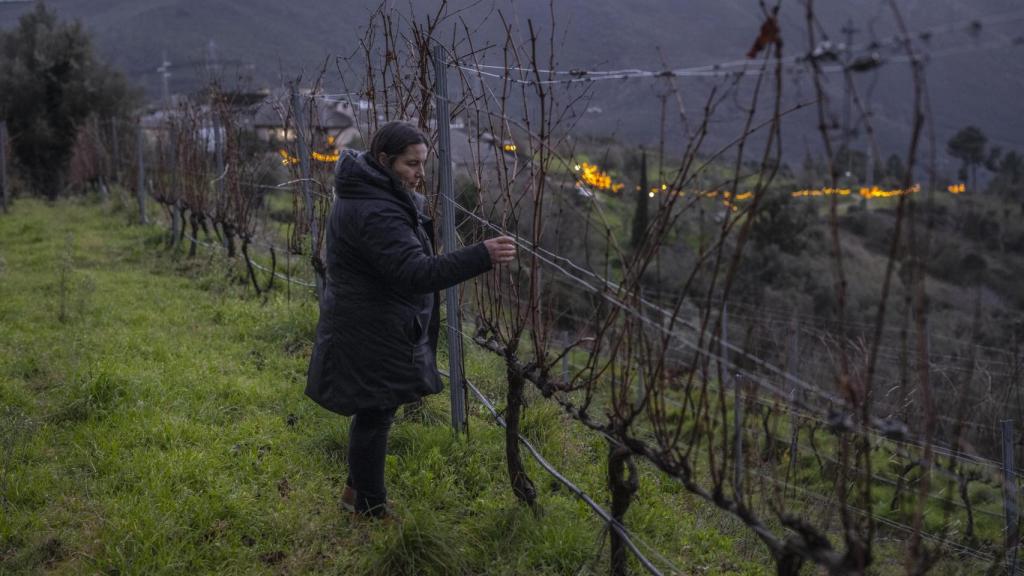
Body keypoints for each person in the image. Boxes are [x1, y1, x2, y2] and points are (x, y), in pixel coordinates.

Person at [305, 121, 516, 518]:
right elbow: (415, 273)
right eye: (411, 164)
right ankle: (370, 508)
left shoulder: (370, 193)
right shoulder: (376, 210)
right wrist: (481, 255)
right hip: (371, 324)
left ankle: (356, 492)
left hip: (369, 319)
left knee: (375, 409)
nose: (420, 173)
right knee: (376, 413)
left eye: (422, 163)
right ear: (384, 160)